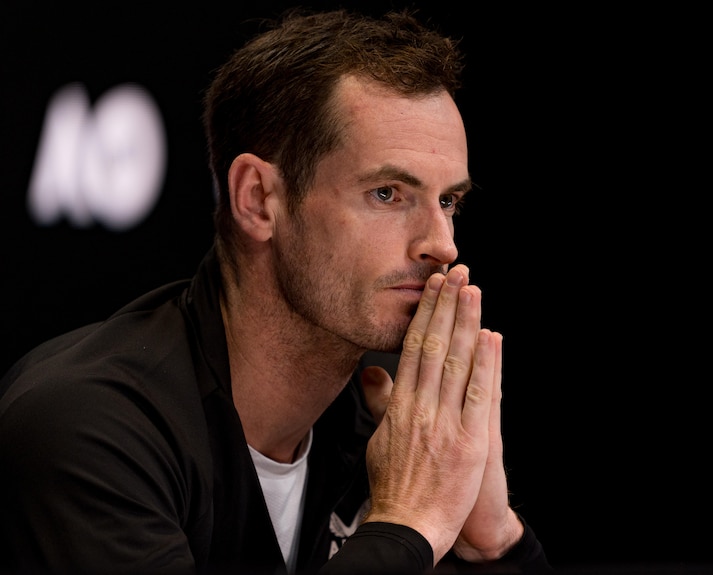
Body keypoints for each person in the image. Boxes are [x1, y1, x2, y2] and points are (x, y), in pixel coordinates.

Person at [0, 7, 552, 575]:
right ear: (258, 200)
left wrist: (493, 543)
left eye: (447, 202)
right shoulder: (88, 429)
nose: (442, 245)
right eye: (387, 194)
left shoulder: (391, 439)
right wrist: (406, 527)